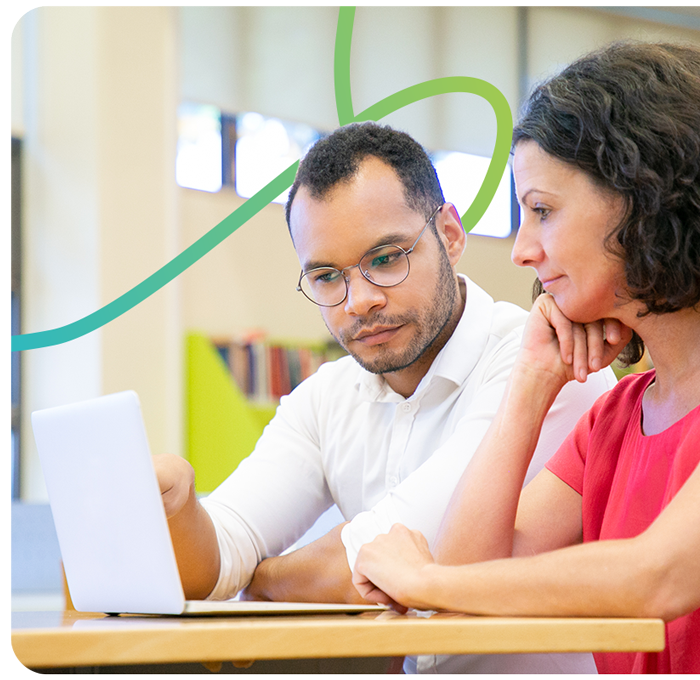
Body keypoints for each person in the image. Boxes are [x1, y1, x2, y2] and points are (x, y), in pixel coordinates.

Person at [352, 42, 700, 674]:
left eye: (542, 211)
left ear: (645, 194)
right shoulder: (615, 418)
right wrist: (529, 387)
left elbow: (661, 576)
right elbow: (473, 590)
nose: (522, 251)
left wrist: (421, 582)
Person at [155, 121, 616, 674]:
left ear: (449, 234)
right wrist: (178, 508)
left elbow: (394, 560)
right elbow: (222, 550)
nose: (359, 302)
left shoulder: (547, 362)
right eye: (327, 276)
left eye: (385, 259)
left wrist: (264, 577)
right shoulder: (327, 396)